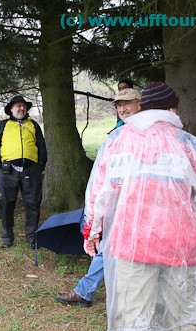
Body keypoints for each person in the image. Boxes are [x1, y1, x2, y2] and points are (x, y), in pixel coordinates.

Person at [82, 82, 196, 330]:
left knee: (132, 318)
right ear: (172, 109)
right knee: (180, 319)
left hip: (130, 244)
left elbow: (98, 192)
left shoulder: (116, 142)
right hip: (179, 246)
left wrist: (92, 230)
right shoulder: (184, 142)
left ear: (143, 108)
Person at [56, 88, 142, 307]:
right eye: (119, 105)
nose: (122, 108)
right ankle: (86, 291)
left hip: (142, 202)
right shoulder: (118, 133)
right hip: (119, 202)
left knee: (124, 249)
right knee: (109, 246)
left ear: (140, 104)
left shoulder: (147, 132)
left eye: (127, 103)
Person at [0, 96, 47, 249]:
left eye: (23, 106)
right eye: (17, 106)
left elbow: (41, 147)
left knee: (33, 203)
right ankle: (7, 236)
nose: (21, 108)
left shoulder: (33, 125)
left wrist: (39, 167)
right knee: (7, 204)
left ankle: (32, 236)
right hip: (9, 171)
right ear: (11, 109)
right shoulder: (3, 125)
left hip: (31, 170)